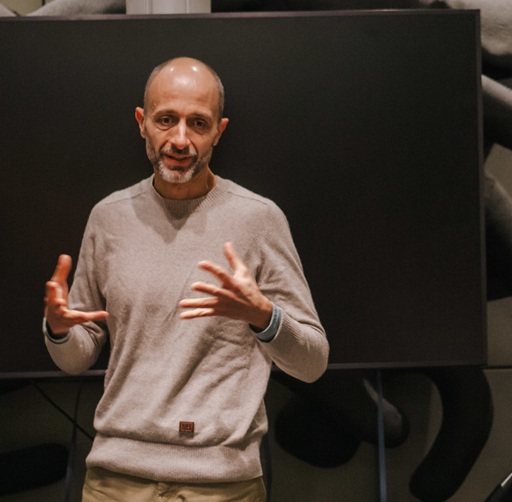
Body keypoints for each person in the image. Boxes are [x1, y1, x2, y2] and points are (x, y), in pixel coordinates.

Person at [42, 56, 329, 501]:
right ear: (141, 123)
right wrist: (59, 331)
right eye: (166, 120)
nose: (180, 139)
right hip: (115, 480)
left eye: (198, 123)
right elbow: (76, 358)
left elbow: (312, 364)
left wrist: (263, 316)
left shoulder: (258, 219)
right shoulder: (109, 217)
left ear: (219, 131)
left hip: (223, 484)